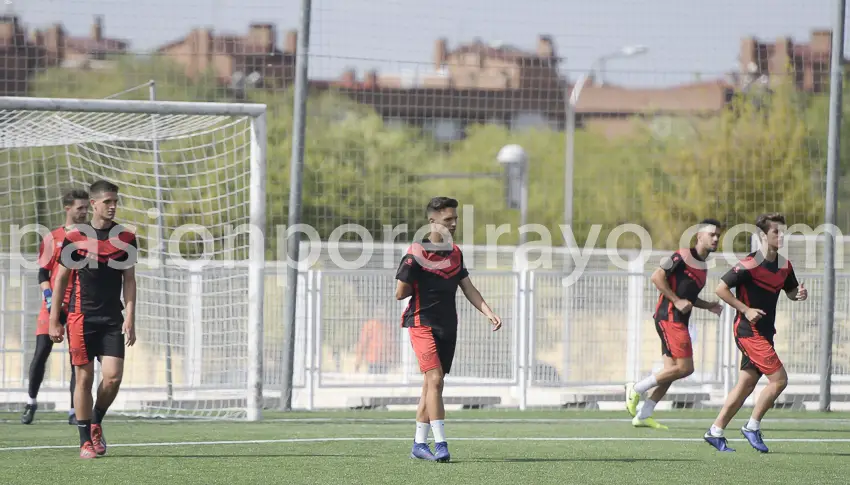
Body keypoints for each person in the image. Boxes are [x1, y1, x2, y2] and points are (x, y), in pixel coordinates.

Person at [395, 196, 502, 463]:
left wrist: (488, 312)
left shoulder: (455, 252)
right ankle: (441, 443)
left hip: (447, 326)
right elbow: (400, 293)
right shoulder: (416, 252)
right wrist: (416, 275)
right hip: (421, 323)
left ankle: (419, 445)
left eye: (455, 219)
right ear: (432, 221)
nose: (453, 224)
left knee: (431, 387)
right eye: (448, 219)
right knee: (435, 380)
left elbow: (468, 287)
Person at [704, 213, 807, 453]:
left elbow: (790, 292)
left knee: (746, 384)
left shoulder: (784, 265)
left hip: (765, 332)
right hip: (748, 331)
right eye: (776, 232)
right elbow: (720, 288)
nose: (781, 236)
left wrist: (799, 295)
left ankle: (715, 431)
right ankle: (752, 426)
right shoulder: (749, 264)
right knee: (779, 380)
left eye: (783, 232)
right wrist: (745, 309)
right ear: (763, 236)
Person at [49, 180, 137, 459]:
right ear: (95, 203)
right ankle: (85, 439)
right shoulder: (75, 237)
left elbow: (130, 279)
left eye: (115, 202)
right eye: (107, 202)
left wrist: (131, 316)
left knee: (112, 377)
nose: (112, 206)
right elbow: (61, 278)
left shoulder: (125, 238)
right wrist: (55, 319)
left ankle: (96, 418)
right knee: (83, 378)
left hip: (112, 317)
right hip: (80, 317)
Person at [626, 219, 724, 429]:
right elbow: (656, 276)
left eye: (718, 235)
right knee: (685, 368)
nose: (716, 238)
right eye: (711, 234)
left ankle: (644, 415)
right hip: (669, 318)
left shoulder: (703, 266)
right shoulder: (681, 255)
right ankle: (636, 388)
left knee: (671, 371)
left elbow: (688, 297)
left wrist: (708, 305)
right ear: (699, 236)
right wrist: (676, 301)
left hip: (678, 320)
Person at [20, 190, 90, 425]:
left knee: (77, 359)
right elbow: (42, 272)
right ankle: (31, 402)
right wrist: (50, 301)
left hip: (77, 305)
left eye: (86, 208)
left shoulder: (90, 237)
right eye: (80, 208)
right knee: (41, 354)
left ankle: (74, 410)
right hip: (52, 305)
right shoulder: (53, 237)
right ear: (67, 208)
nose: (84, 212)